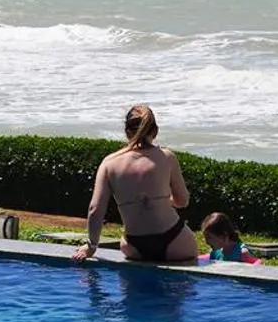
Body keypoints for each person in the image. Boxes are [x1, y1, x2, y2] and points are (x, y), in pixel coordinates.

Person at [76, 104, 199, 265]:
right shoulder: (167, 157)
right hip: (175, 240)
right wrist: (162, 200)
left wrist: (91, 246)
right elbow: (182, 201)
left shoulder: (109, 163)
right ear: (155, 131)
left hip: (134, 245)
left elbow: (95, 209)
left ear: (127, 132)